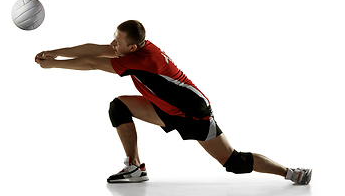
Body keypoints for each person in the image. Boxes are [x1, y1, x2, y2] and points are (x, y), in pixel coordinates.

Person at [35, 20, 312, 185]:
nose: (112, 43)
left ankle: (291, 173)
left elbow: (94, 63)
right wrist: (55, 53)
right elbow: (95, 49)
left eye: (117, 41)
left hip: (194, 113)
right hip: (165, 108)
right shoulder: (135, 48)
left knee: (233, 162)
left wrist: (55, 67)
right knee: (119, 105)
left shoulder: (145, 61)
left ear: (132, 47)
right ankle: (134, 167)